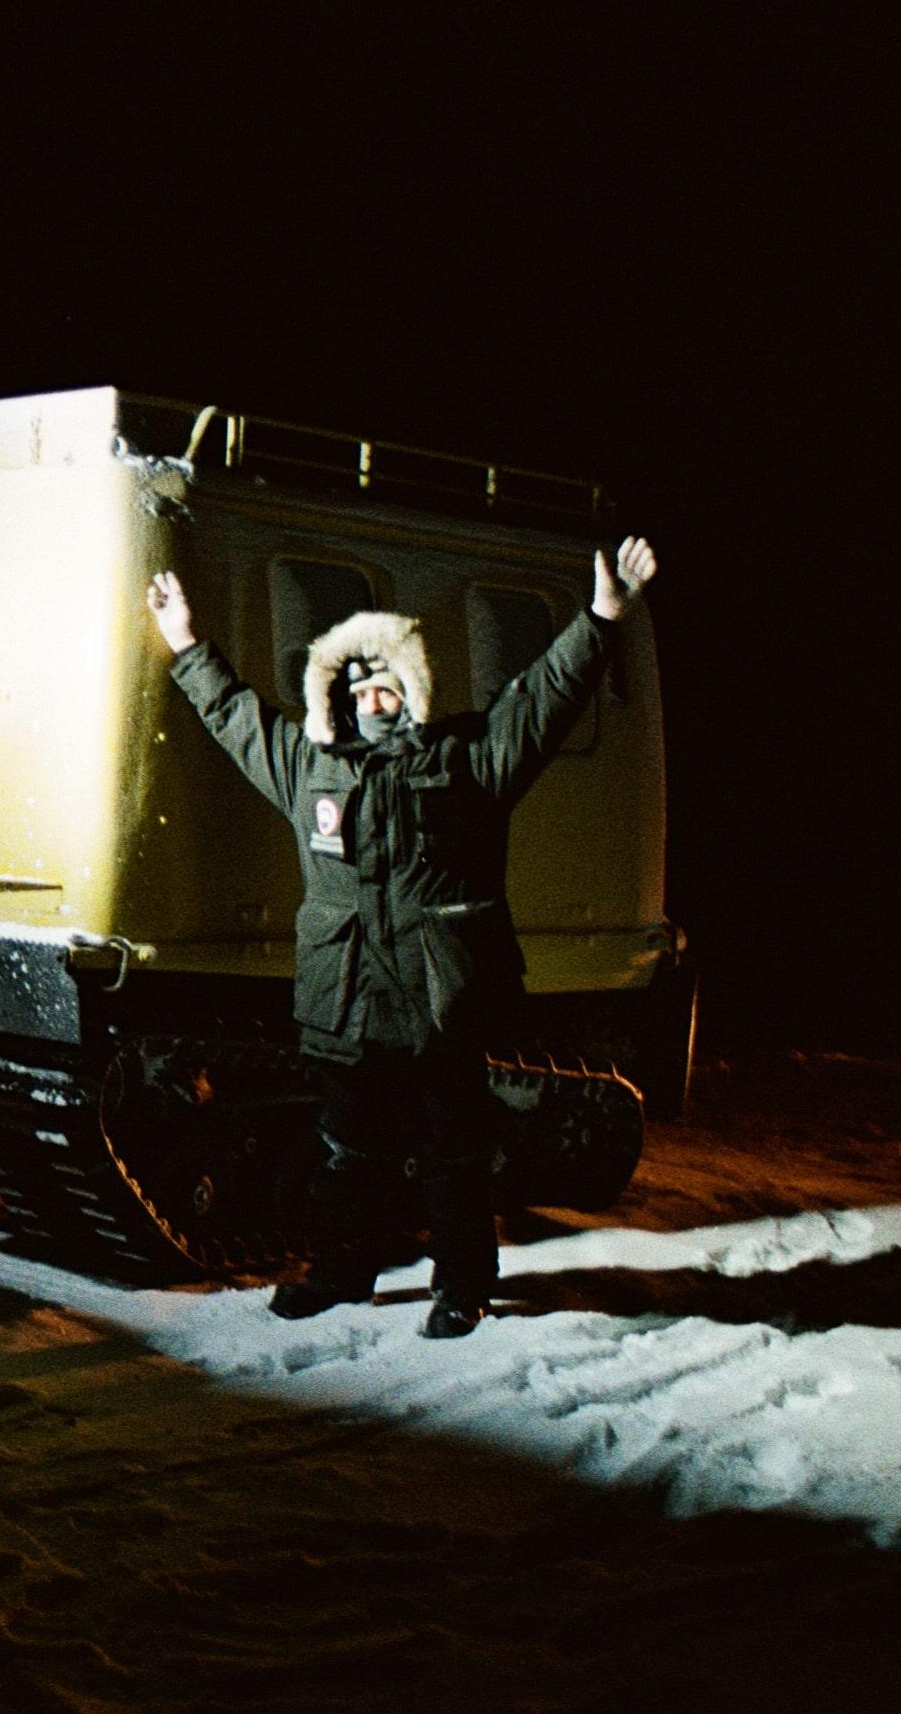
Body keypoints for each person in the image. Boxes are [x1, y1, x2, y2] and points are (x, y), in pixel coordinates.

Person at [142, 538, 659, 1338]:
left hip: (437, 1000)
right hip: (348, 999)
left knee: (457, 1151)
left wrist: (603, 617)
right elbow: (234, 716)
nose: (372, 702)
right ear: (338, 699)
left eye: (386, 687)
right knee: (348, 1149)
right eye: (359, 690)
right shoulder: (310, 768)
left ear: (411, 693)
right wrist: (184, 642)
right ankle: (341, 1273)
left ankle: (464, 1285)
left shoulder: (467, 760)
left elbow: (543, 700)